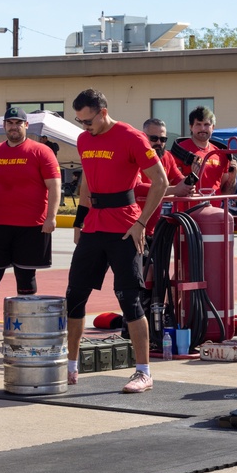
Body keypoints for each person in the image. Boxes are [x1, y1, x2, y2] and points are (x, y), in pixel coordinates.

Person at [67, 89, 169, 394]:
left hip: (125, 227)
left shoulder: (131, 137)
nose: (84, 127)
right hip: (93, 226)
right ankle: (70, 367)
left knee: (129, 299)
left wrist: (141, 224)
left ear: (103, 112)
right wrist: (79, 220)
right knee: (75, 296)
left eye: (88, 120)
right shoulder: (84, 140)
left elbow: (160, 181)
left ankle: (144, 373)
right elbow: (87, 182)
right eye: (79, 121)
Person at [0, 107, 61, 295]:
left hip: (31, 226)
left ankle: (26, 313)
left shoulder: (42, 151)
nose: (14, 127)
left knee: (26, 278)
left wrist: (51, 217)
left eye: (18, 123)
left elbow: (54, 186)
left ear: (26, 125)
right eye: (10, 123)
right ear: (4, 125)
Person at [137, 118, 196, 238]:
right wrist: (174, 190)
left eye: (163, 139)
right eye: (154, 138)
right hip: (133, 225)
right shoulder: (135, 156)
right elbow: (137, 188)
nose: (159, 142)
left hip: (153, 228)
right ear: (143, 136)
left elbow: (178, 178)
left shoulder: (167, 157)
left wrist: (187, 185)